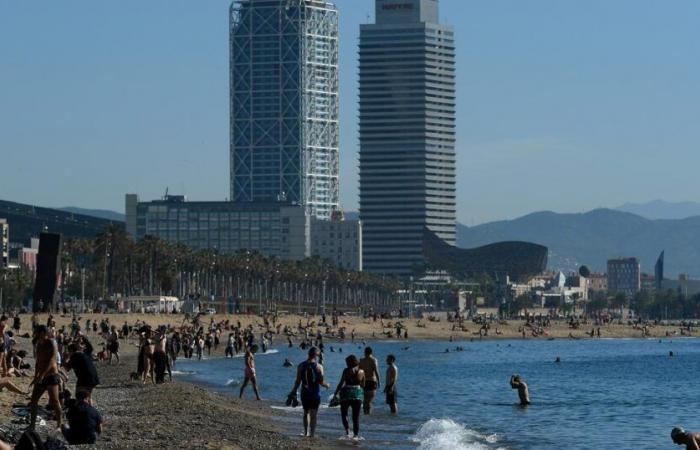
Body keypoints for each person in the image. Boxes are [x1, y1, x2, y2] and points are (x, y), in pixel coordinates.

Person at [289, 347, 329, 438]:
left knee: (305, 412)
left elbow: (298, 381)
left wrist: (294, 391)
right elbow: (321, 381)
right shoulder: (319, 366)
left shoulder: (301, 365)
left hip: (305, 393)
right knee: (314, 414)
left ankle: (306, 432)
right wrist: (327, 385)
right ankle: (312, 434)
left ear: (308, 354)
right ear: (316, 356)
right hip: (315, 394)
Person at [29, 325, 62, 430]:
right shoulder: (39, 345)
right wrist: (35, 377)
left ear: (43, 332)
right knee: (33, 400)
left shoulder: (51, 342)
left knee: (55, 401)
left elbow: (52, 360)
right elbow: (38, 362)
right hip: (41, 377)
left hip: (51, 376)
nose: (36, 335)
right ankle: (32, 425)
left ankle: (59, 424)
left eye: (38, 332)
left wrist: (42, 375)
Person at [334, 355, 365, 440]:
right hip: (357, 394)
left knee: (344, 414)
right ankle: (356, 436)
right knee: (356, 417)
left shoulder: (346, 370)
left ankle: (348, 432)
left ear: (349, 362)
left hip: (346, 394)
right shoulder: (362, 371)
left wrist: (335, 394)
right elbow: (363, 385)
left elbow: (341, 383)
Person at [358, 347, 380, 414]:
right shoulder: (374, 360)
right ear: (371, 352)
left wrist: (358, 381)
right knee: (369, 400)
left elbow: (359, 372)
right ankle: (369, 416)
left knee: (365, 400)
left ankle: (365, 414)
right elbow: (376, 371)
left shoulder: (361, 360)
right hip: (372, 381)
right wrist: (379, 381)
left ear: (365, 352)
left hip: (363, 381)